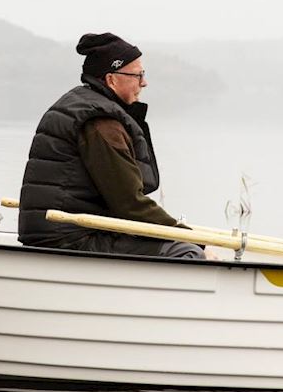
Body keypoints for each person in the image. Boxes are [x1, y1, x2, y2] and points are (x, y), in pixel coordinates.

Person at [17, 32, 203, 259]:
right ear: (111, 79)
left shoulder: (83, 105)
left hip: (64, 232)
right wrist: (193, 240)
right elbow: (130, 204)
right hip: (70, 238)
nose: (144, 82)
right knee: (186, 252)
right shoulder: (101, 123)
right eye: (137, 75)